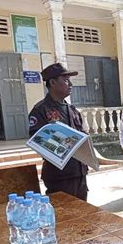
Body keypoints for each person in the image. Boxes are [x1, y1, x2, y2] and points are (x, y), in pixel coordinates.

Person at [29, 63, 89, 200]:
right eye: (66, 80)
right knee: (64, 216)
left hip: (79, 172)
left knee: (82, 215)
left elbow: (84, 139)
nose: (71, 84)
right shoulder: (40, 111)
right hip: (60, 176)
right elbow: (39, 141)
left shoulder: (73, 110)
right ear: (53, 82)